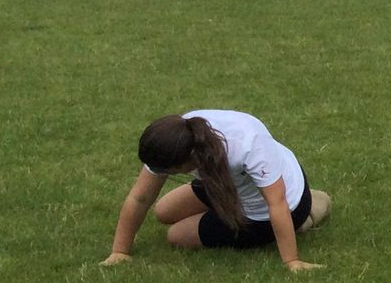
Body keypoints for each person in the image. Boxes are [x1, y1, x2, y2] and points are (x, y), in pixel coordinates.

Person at [101, 110, 330, 270]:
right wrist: (119, 252)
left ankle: (306, 216)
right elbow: (140, 197)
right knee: (163, 211)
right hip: (231, 187)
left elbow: (276, 203)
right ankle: (227, 213)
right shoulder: (180, 135)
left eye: (169, 170)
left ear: (188, 160)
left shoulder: (248, 145)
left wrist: (292, 261)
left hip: (281, 203)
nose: (163, 174)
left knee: (176, 236)